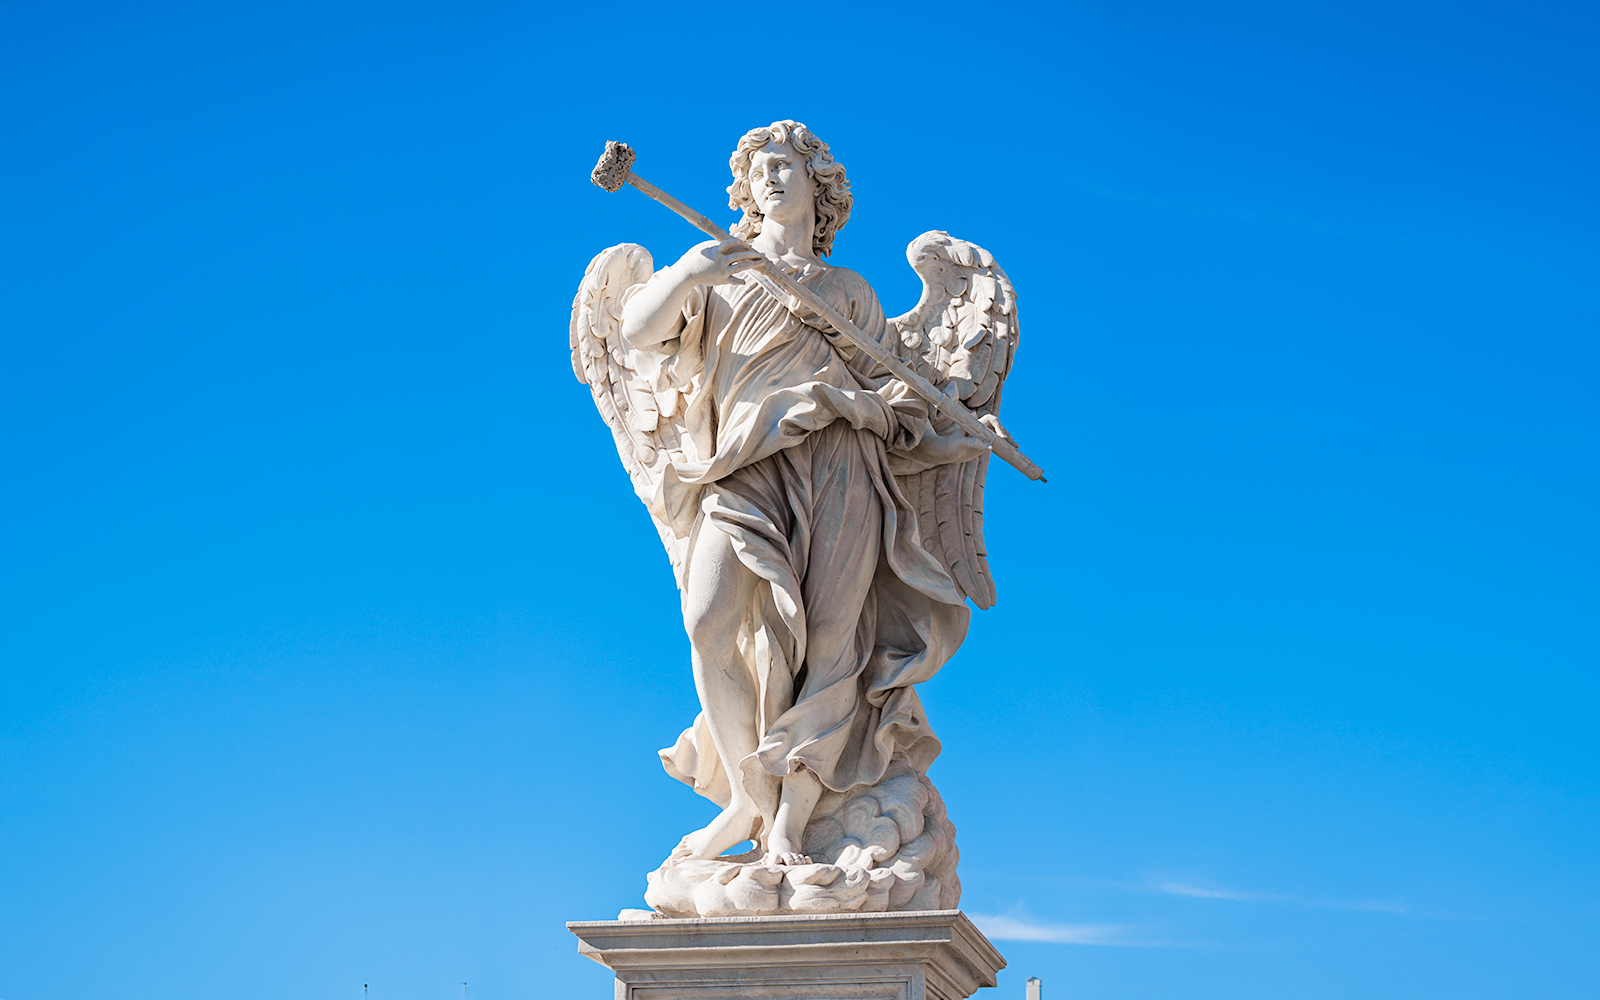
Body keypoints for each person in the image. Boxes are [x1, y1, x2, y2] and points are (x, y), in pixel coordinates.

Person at [619, 122, 989, 867]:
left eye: (785, 166)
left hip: (841, 462)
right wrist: (687, 273)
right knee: (708, 623)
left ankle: (790, 817)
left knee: (830, 645)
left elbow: (895, 397)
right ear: (745, 193)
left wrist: (940, 424)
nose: (771, 180)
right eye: (758, 171)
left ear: (819, 187)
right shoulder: (721, 273)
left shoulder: (849, 292)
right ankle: (744, 802)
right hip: (744, 463)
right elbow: (637, 332)